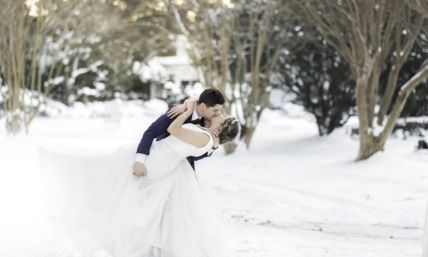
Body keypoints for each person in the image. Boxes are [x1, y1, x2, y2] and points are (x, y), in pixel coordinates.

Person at [133, 88, 225, 175]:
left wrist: (213, 147)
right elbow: (151, 132)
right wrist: (139, 161)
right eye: (215, 110)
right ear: (203, 106)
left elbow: (193, 155)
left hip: (183, 171)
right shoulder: (177, 112)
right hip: (159, 162)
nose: (218, 113)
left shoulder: (206, 121)